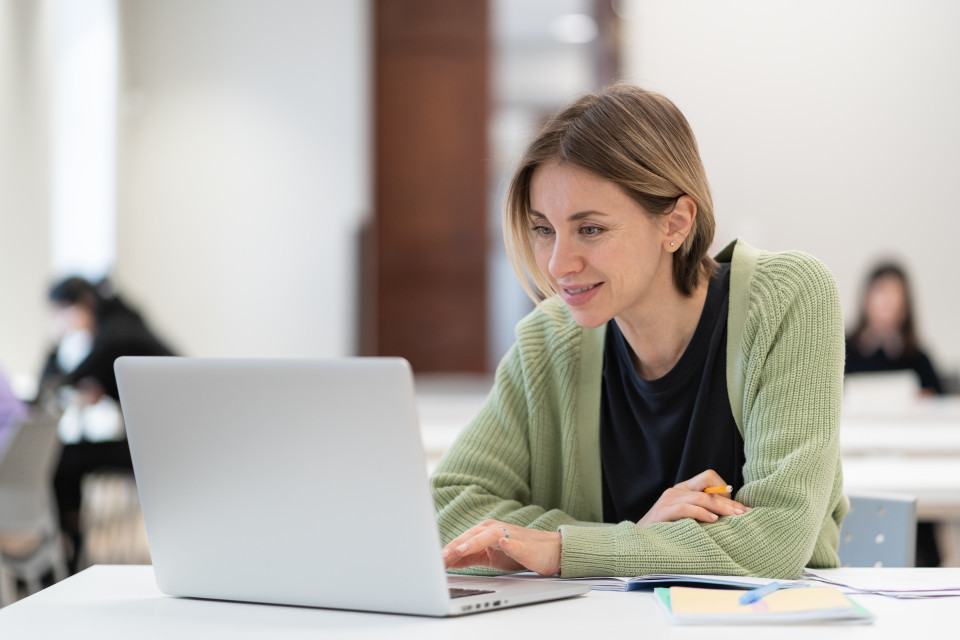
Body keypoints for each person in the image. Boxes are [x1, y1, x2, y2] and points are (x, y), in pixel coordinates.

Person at [432, 83, 847, 579]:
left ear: (675, 223)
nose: (559, 264)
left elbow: (775, 541)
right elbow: (444, 509)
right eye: (544, 229)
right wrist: (628, 538)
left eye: (591, 229)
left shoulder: (786, 300)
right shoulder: (550, 341)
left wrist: (567, 551)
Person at [38, 276, 175, 571]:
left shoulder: (114, 336)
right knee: (69, 455)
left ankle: (67, 554)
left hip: (159, 450)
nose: (62, 321)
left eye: (62, 311)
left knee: (65, 458)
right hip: (161, 443)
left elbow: (53, 384)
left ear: (84, 303)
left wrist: (54, 342)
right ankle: (68, 549)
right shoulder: (124, 327)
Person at [845, 262, 944, 566]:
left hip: (908, 461)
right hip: (857, 457)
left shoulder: (918, 356)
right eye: (881, 294)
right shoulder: (845, 348)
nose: (888, 304)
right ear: (867, 299)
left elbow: (939, 405)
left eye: (896, 297)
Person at [845, 262, 943, 395]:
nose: (888, 300)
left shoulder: (917, 357)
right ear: (866, 298)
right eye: (881, 290)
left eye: (896, 292)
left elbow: (940, 399)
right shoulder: (843, 352)